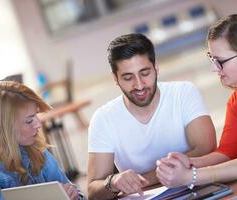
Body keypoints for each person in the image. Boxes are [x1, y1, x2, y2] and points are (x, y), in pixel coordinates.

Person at [87, 33, 217, 199]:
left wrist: (144, 180)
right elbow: (92, 191)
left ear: (156, 68)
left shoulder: (183, 93)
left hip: (197, 192)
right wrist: (113, 182)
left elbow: (207, 150)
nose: (139, 85)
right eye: (128, 78)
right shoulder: (103, 119)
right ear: (115, 78)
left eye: (145, 73)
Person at [156, 14, 237, 190]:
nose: (214, 68)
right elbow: (228, 151)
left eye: (220, 61)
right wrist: (190, 163)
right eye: (212, 59)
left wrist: (191, 176)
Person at [0, 81, 86, 200]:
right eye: (29, 121)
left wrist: (75, 195)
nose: (38, 124)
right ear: (2, 128)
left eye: (36, 115)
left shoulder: (36, 150)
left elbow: (76, 193)